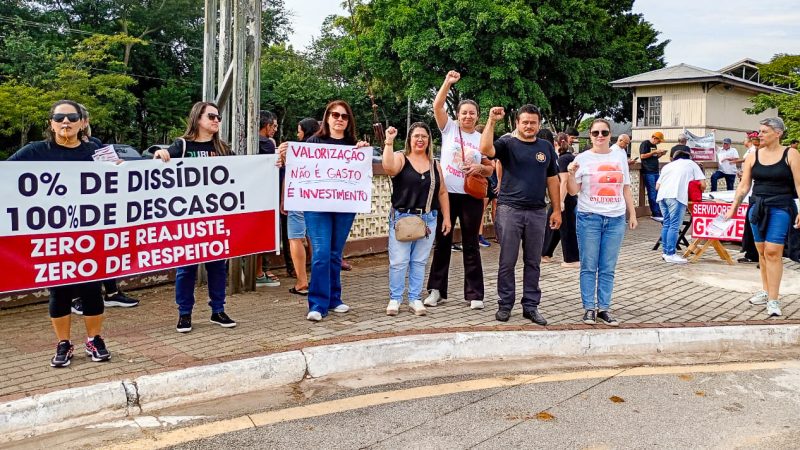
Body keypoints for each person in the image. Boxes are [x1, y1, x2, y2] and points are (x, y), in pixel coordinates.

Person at [8, 99, 111, 367]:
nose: (66, 122)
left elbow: (126, 178)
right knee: (60, 291)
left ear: (82, 123)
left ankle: (94, 339)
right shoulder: (35, 151)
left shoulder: (97, 151)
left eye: (72, 117)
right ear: (51, 124)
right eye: (59, 118)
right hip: (53, 236)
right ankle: (63, 343)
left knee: (92, 289)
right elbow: (5, 176)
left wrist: (160, 158)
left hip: (90, 234)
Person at [279, 100, 370, 321]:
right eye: (335, 115)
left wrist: (364, 150)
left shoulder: (354, 145)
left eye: (344, 116)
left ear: (349, 121)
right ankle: (318, 304)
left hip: (344, 206)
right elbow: (295, 166)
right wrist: (284, 154)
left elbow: (364, 169)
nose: (339, 119)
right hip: (316, 207)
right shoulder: (313, 142)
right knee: (320, 253)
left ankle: (334, 298)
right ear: (327, 117)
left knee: (335, 254)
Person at [154, 101, 237, 332]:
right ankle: (184, 314)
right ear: (197, 118)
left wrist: (272, 161)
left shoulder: (223, 149)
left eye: (218, 117)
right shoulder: (182, 145)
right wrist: (159, 155)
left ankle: (218, 310)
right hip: (187, 219)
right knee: (186, 268)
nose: (216, 120)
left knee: (217, 267)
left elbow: (246, 170)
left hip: (215, 218)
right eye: (211, 116)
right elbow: (158, 166)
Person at [480, 105, 561, 325]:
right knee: (507, 261)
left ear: (539, 124)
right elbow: (485, 148)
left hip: (537, 211)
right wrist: (491, 121)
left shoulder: (545, 146)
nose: (529, 126)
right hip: (510, 211)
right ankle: (505, 304)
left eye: (533, 122)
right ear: (517, 123)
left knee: (533, 261)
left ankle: (531, 306)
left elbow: (552, 179)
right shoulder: (507, 143)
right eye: (524, 122)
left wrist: (556, 209)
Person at [423, 71, 493, 310]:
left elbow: (490, 168)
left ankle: (475, 294)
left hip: (471, 196)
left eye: (472, 113)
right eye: (464, 112)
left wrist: (479, 168)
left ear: (477, 116)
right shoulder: (450, 129)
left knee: (471, 243)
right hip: (446, 195)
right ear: (458, 115)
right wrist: (447, 83)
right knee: (442, 241)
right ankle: (436, 290)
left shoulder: (482, 138)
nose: (468, 116)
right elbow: (437, 105)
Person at [724, 117, 800, 317]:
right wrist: (733, 208)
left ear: (778, 133)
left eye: (764, 131)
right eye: (759, 131)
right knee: (762, 252)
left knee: (773, 252)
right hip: (757, 208)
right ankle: (766, 291)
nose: (759, 135)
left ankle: (774, 300)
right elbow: (744, 186)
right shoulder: (753, 155)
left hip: (781, 207)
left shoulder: (791, 154)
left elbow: (799, 184)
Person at [566, 119, 638, 326]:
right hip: (590, 217)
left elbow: (626, 187)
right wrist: (571, 174)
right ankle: (589, 307)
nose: (600, 136)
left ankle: (604, 308)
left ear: (610, 135)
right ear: (590, 135)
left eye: (604, 132)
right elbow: (573, 191)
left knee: (608, 267)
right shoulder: (582, 158)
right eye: (595, 132)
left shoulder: (619, 157)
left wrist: (632, 214)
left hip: (615, 218)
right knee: (589, 265)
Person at [70, 104, 140, 314]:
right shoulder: (53, 148)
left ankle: (111, 292)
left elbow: (110, 172)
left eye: (77, 118)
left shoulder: (95, 145)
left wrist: (119, 166)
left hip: (97, 209)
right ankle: (75, 297)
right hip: (71, 210)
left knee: (104, 250)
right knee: (77, 253)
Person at [382, 123, 451, 316]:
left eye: (424, 136)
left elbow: (442, 192)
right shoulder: (401, 158)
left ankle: (415, 298)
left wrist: (446, 217)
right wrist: (389, 142)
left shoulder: (434, 164)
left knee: (419, 261)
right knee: (399, 261)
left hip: (427, 219)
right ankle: (395, 298)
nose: (420, 140)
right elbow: (388, 168)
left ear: (429, 140)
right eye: (416, 136)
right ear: (409, 139)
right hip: (403, 218)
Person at [277, 117, 319, 296]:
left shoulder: (295, 150)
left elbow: (290, 175)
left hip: (298, 197)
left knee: (295, 237)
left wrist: (284, 199)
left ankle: (302, 282)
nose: (297, 134)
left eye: (299, 130)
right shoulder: (324, 148)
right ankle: (319, 279)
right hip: (319, 198)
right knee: (316, 238)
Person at [656, 150, 707, 264]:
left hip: (662, 197)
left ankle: (665, 252)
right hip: (676, 196)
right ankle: (671, 254)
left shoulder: (667, 166)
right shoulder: (692, 164)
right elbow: (703, 185)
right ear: (689, 157)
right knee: (674, 226)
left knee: (667, 224)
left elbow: (657, 186)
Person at [542, 132, 580, 267]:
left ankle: (572, 259)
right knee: (553, 225)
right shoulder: (568, 157)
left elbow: (564, 181)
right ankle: (545, 253)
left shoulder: (563, 159)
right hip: (564, 197)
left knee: (567, 229)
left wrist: (560, 201)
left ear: (555, 144)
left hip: (565, 198)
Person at [255, 111, 281, 287]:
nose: (275, 130)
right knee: (261, 236)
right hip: (264, 195)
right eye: (274, 126)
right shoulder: (267, 144)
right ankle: (258, 273)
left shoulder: (245, 141)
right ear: (266, 125)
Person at [639, 131, 666, 221]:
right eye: (659, 141)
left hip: (655, 170)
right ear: (655, 138)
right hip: (648, 171)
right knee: (652, 192)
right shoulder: (645, 144)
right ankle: (655, 213)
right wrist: (654, 151)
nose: (659, 143)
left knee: (658, 192)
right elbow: (642, 156)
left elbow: (653, 157)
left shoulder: (654, 146)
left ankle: (658, 211)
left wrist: (660, 154)